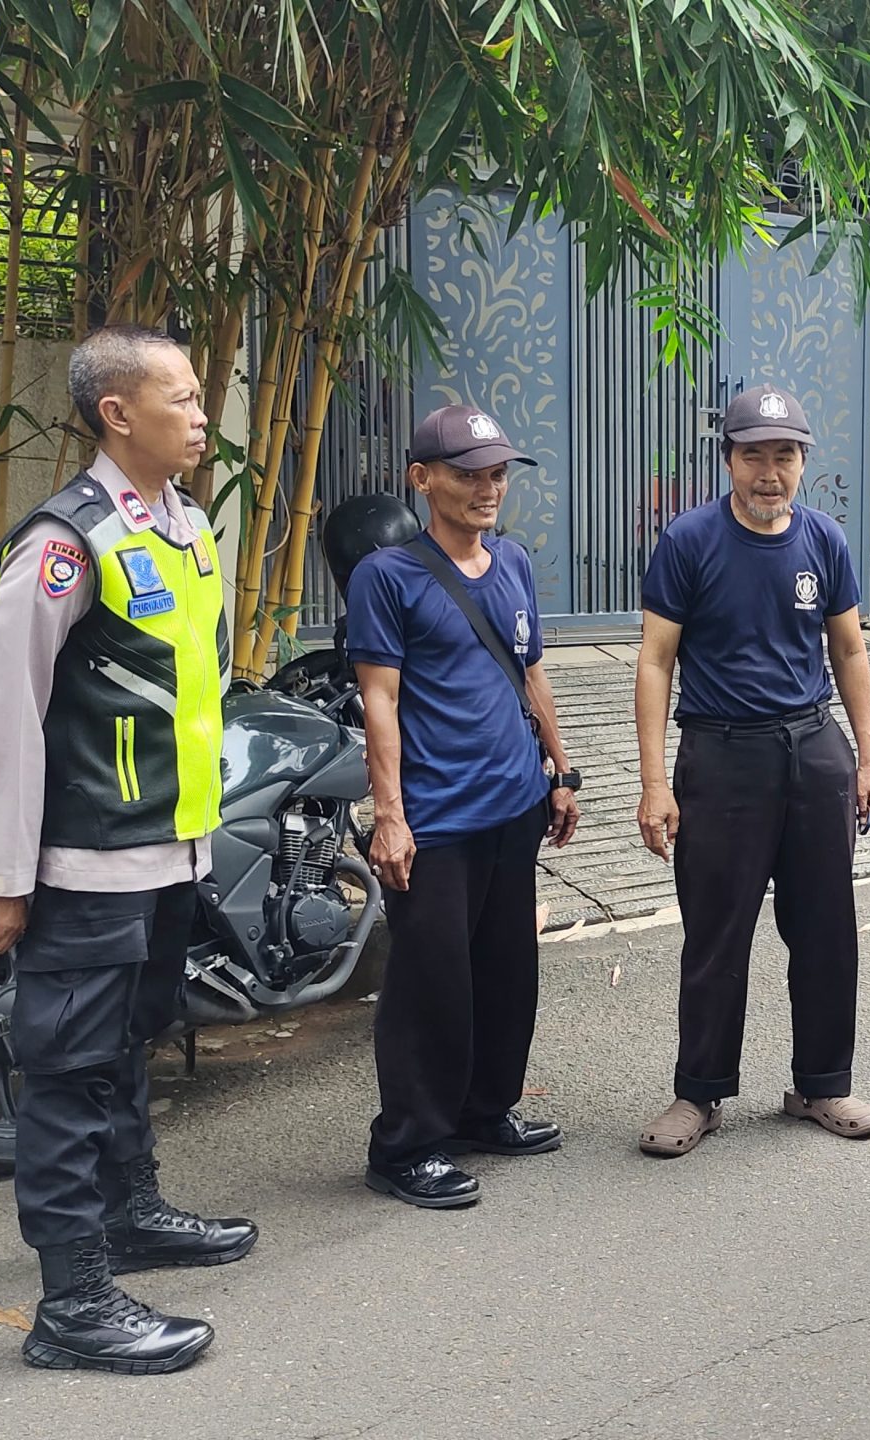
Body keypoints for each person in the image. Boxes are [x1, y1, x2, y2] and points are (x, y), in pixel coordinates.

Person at [0, 324, 255, 1376]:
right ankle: (74, 1302)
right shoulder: (64, 540)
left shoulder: (183, 526)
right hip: (86, 860)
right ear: (116, 415)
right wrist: (2, 878)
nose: (199, 414)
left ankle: (131, 1214)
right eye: (179, 398)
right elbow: (6, 715)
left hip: (168, 850)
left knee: (129, 1042)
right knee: (68, 1074)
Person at [631, 384, 870, 1158]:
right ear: (729, 461)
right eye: (754, 456)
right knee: (717, 932)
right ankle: (699, 1094)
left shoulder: (825, 541)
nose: (769, 472)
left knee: (824, 928)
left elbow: (848, 650)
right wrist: (653, 782)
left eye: (784, 455)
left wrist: (868, 760)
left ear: (803, 462)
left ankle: (822, 1082)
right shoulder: (688, 540)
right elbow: (654, 662)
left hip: (812, 750)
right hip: (721, 754)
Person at [346, 404, 582, 1209]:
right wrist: (389, 814)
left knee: (506, 973)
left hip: (513, 804)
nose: (487, 488)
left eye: (497, 473)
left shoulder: (511, 562)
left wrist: (561, 767)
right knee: (431, 985)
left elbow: (530, 672)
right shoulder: (388, 577)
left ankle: (487, 1110)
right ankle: (407, 1145)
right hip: (436, 816)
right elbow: (380, 702)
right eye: (468, 473)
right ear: (422, 479)